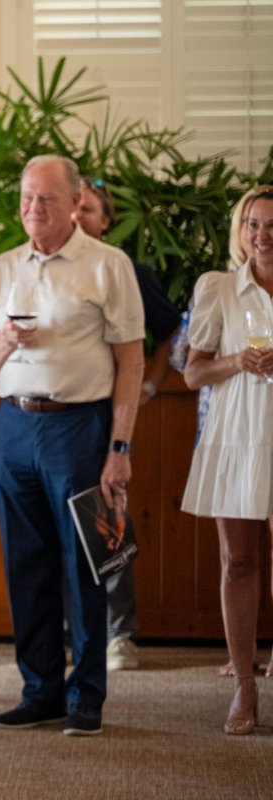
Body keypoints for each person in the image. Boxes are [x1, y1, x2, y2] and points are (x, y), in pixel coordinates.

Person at [0, 154, 144, 737]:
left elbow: (130, 359)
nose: (32, 209)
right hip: (14, 427)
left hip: (81, 426)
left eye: (45, 199)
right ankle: (39, 690)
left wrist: (120, 446)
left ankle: (85, 697)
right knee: (27, 565)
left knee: (86, 566)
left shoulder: (108, 265)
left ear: (75, 203)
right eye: (25, 198)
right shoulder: (1, 269)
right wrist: (6, 342)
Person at [72, 177, 181, 671]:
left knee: (107, 517)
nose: (77, 216)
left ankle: (121, 635)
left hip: (110, 414)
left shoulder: (127, 271)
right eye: (70, 206)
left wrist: (150, 388)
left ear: (105, 220)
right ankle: (69, 633)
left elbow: (171, 330)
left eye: (87, 209)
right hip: (57, 416)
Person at [180, 186, 273, 735]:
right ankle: (244, 685)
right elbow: (193, 371)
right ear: (240, 230)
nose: (263, 235)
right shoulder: (217, 288)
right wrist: (237, 359)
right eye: (253, 224)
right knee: (239, 562)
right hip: (237, 430)